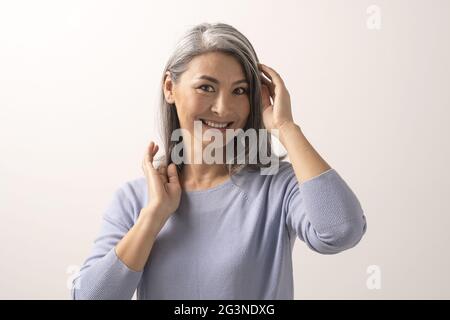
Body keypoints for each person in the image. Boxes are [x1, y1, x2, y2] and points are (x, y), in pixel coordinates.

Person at [71, 22, 367, 300]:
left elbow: (341, 232)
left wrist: (286, 128)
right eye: (206, 87)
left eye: (239, 91)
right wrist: (153, 216)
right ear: (170, 88)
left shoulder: (278, 185)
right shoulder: (135, 200)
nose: (223, 108)